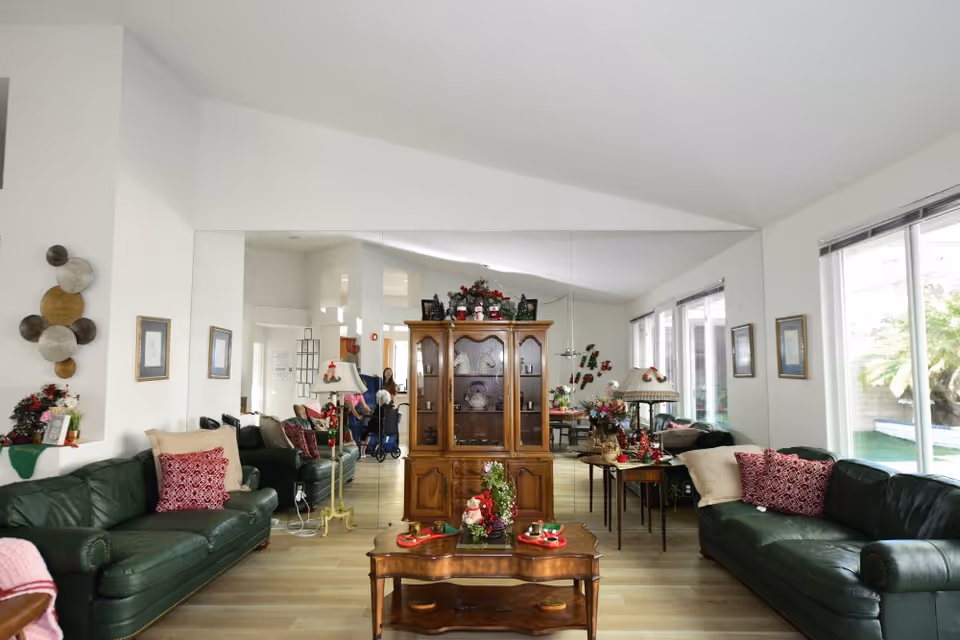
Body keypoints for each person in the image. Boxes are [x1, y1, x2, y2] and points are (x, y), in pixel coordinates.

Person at [368, 389, 400, 455]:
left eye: (377, 399)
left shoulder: (379, 409)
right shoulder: (391, 408)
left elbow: (374, 418)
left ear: (380, 399)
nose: (376, 400)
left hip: (379, 427)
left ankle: (370, 447)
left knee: (366, 428)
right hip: (390, 428)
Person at [346, 391, 372, 458]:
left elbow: (364, 405)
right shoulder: (350, 394)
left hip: (349, 413)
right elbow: (352, 408)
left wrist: (371, 412)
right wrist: (358, 417)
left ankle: (358, 451)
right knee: (347, 431)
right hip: (344, 412)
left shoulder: (359, 395)